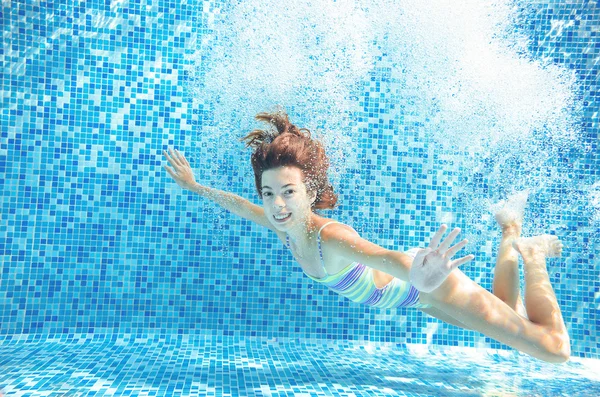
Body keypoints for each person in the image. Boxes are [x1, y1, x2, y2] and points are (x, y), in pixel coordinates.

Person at [163, 109, 570, 363]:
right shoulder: (283, 224)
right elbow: (241, 205)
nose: (276, 205)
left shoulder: (331, 237)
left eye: (289, 192)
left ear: (311, 193)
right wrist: (197, 188)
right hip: (420, 295)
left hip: (429, 286)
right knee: (506, 311)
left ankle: (531, 254)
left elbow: (388, 258)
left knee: (553, 350)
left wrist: (424, 275)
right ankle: (512, 230)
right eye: (268, 193)